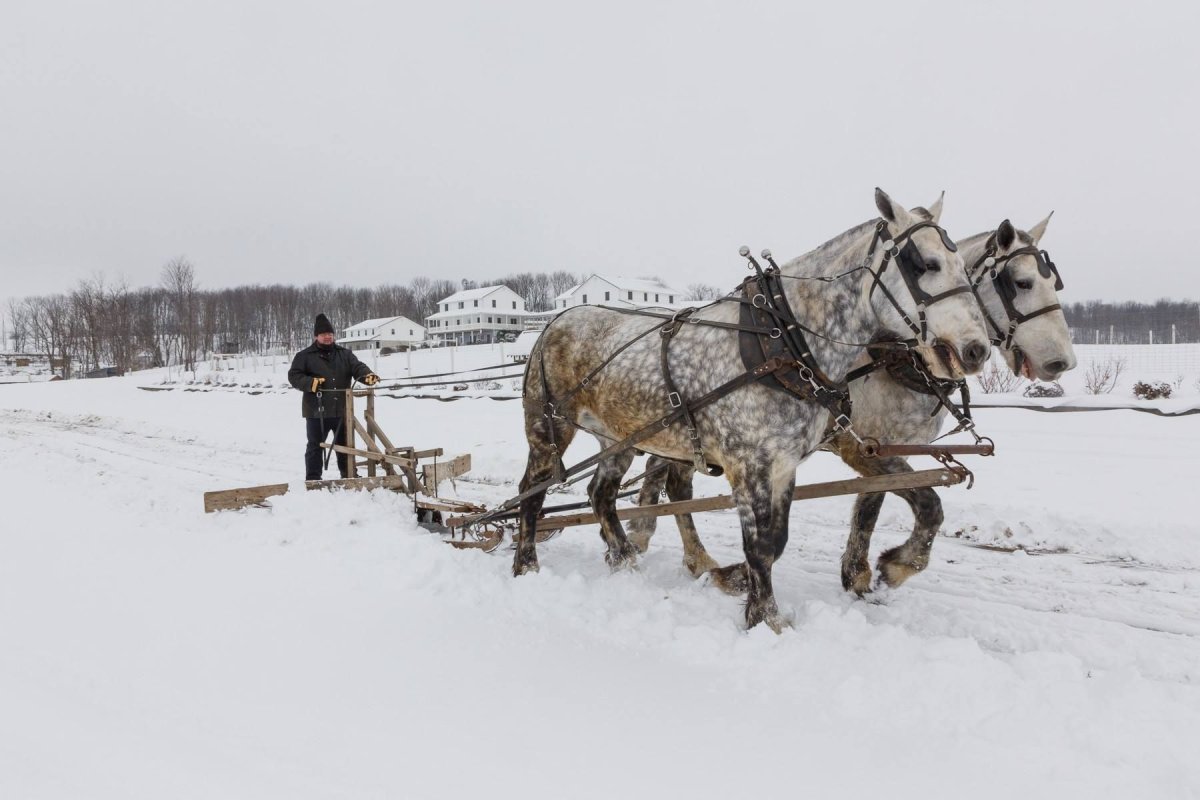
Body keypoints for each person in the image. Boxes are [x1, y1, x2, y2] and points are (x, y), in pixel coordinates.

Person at [288, 313, 380, 481]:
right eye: (324, 334)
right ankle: (313, 479)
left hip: (342, 410)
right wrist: (311, 383)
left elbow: (357, 367)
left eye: (330, 334)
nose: (328, 337)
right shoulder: (304, 356)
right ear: (316, 336)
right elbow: (294, 376)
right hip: (316, 412)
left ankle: (349, 475)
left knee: (346, 445)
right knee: (315, 447)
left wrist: (367, 375)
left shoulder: (345, 354)